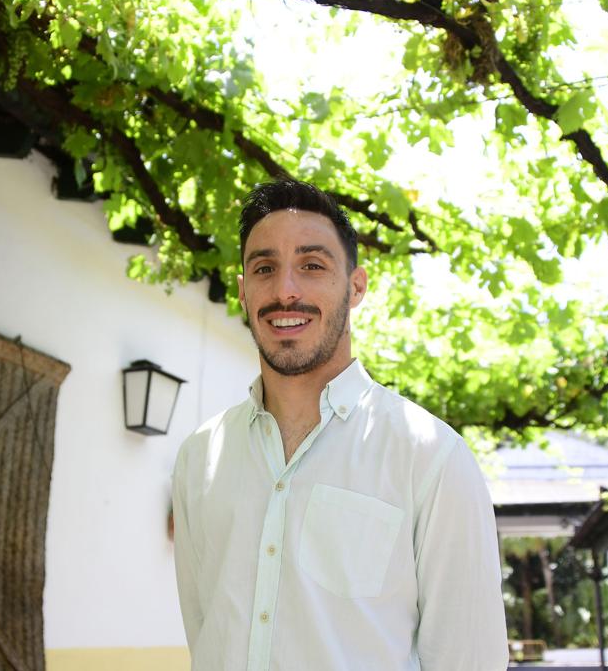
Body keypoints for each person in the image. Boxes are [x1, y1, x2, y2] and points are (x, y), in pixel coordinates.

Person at [171, 180, 508, 670]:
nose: (285, 290)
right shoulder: (199, 458)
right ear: (243, 292)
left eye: (312, 266)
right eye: (265, 268)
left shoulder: (431, 458)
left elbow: (468, 660)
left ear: (356, 287)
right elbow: (204, 633)